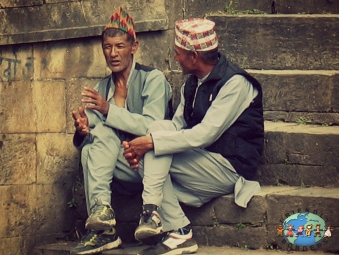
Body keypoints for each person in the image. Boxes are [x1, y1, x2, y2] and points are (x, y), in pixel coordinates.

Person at [123, 18, 264, 255]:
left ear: (194, 57)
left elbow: (205, 135)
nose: (175, 59)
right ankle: (156, 216)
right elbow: (176, 126)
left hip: (229, 167)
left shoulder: (236, 83)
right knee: (158, 131)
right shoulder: (193, 83)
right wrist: (151, 140)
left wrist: (152, 142)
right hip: (199, 161)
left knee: (153, 146)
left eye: (178, 53)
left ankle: (173, 226)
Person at [71, 7, 172, 255]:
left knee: (105, 133)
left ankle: (106, 228)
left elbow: (153, 124)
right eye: (107, 47)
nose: (113, 53)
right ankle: (102, 218)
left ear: (133, 47)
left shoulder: (153, 79)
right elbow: (92, 140)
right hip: (119, 167)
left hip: (152, 166)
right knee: (94, 142)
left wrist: (108, 109)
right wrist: (83, 131)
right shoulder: (101, 86)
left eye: (119, 46)